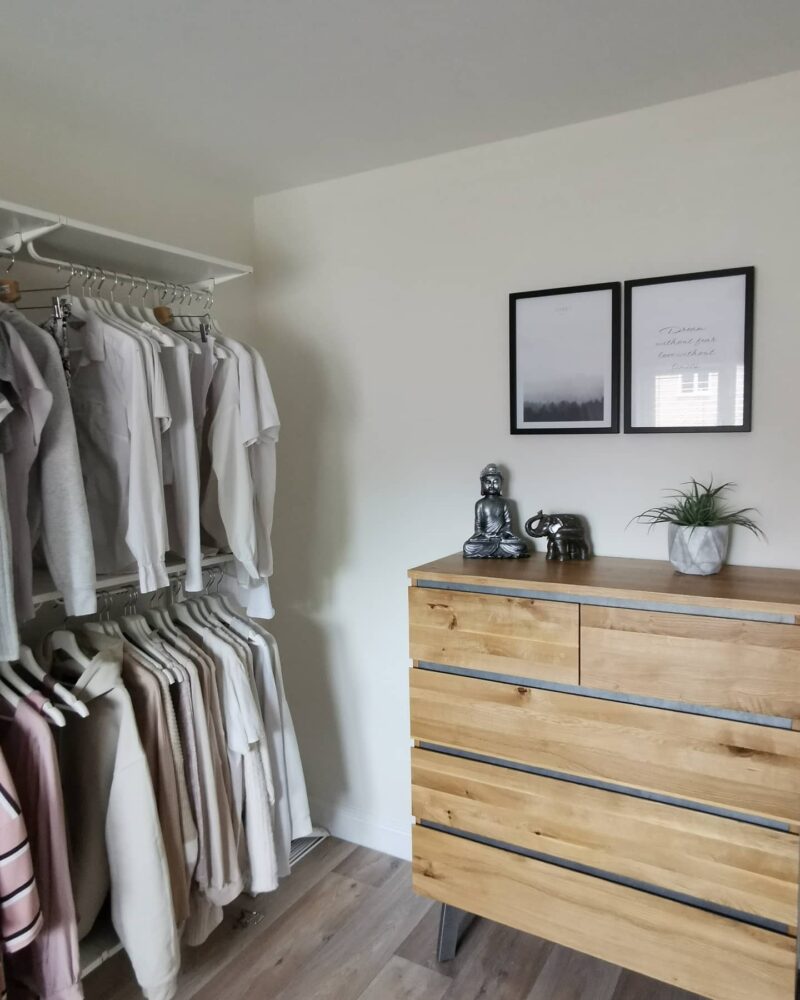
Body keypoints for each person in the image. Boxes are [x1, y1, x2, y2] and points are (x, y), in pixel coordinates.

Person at [463, 464, 529, 559]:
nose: (492, 485)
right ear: (482, 484)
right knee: (468, 547)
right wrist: (485, 535)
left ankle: (498, 548)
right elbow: (478, 526)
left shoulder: (505, 503)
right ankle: (495, 549)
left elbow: (508, 523)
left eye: (495, 482)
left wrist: (503, 533)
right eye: (488, 482)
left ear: (501, 483)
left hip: (502, 538)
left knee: (520, 546)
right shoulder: (480, 504)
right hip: (486, 539)